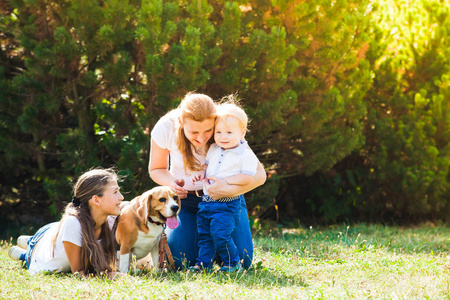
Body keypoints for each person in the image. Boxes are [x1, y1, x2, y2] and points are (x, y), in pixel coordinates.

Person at [149, 92, 266, 270]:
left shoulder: (224, 124)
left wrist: (226, 189)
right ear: (181, 123)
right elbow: (156, 169)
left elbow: (260, 175)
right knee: (182, 261)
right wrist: (172, 184)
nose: (201, 138)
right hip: (185, 202)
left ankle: (217, 246)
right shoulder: (166, 127)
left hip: (227, 201)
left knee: (244, 259)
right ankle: (204, 245)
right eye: (194, 132)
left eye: (208, 131)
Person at [8, 168, 124, 279]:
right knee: (28, 253)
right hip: (41, 247)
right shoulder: (73, 224)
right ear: (96, 200)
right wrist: (113, 276)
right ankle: (25, 250)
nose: (121, 197)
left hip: (53, 229)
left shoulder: (110, 218)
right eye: (115, 192)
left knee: (50, 239)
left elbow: (133, 207)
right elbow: (79, 273)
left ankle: (28, 241)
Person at [190, 100, 259, 272]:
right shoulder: (214, 148)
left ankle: (231, 263)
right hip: (206, 202)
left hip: (227, 204)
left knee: (221, 235)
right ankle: (203, 264)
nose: (223, 136)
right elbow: (208, 165)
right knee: (205, 235)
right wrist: (202, 172)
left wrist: (226, 182)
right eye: (219, 132)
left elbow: (247, 177)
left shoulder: (245, 154)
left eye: (229, 132)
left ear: (242, 132)